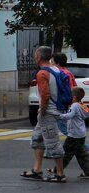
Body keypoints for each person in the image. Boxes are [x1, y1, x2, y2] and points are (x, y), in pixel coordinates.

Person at [22, 45, 67, 182]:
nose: (35, 57)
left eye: (35, 55)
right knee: (38, 139)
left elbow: (45, 95)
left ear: (39, 56)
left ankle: (60, 174)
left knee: (53, 143)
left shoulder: (42, 73)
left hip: (48, 113)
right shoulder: (55, 69)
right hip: (54, 110)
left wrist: (42, 110)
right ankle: (37, 170)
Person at [59, 88, 89, 180]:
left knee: (65, 153)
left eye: (71, 96)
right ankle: (88, 172)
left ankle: (58, 170)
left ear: (74, 97)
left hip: (74, 134)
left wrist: (58, 116)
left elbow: (70, 116)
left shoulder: (75, 105)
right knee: (81, 155)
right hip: (81, 133)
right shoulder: (82, 105)